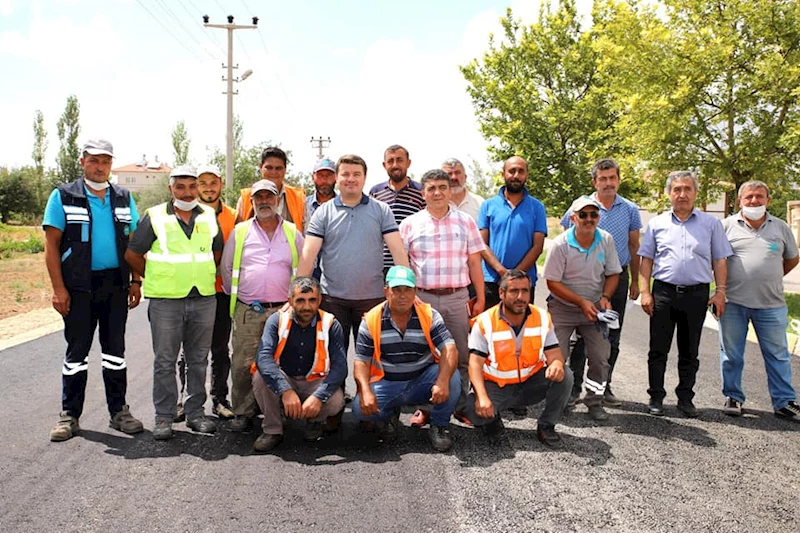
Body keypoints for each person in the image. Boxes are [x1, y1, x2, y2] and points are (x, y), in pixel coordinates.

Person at [43, 138, 143, 441]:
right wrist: (59, 290)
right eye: (94, 160)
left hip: (114, 284)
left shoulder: (124, 197)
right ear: (82, 161)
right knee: (77, 353)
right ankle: (69, 415)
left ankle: (119, 413)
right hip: (77, 287)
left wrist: (136, 281)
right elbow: (51, 247)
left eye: (106, 161)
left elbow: (135, 244)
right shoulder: (63, 196)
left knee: (115, 352)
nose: (100, 167)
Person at [125, 166, 224, 440]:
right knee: (165, 361)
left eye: (192, 187)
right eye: (181, 187)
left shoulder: (208, 216)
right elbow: (133, 254)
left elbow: (216, 253)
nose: (187, 192)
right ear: (171, 189)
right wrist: (156, 276)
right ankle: (164, 417)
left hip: (203, 297)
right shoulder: (154, 217)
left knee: (198, 360)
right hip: (166, 301)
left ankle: (195, 414)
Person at [638, 171, 732, 417]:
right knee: (658, 349)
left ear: (695, 193)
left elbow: (720, 260)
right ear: (669, 193)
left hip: (696, 295)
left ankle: (685, 398)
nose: (682, 194)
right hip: (664, 293)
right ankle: (656, 397)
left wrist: (720, 292)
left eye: (687, 189)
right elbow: (646, 260)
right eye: (677, 189)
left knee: (690, 351)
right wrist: (645, 292)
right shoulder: (657, 224)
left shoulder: (711, 224)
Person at [399, 168, 485, 427]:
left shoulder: (466, 222)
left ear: (450, 190)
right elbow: (404, 267)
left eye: (442, 187)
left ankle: (458, 407)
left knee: (459, 355)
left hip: (457, 298)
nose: (437, 193)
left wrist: (480, 297)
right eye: (431, 188)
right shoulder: (409, 224)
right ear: (423, 192)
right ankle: (426, 409)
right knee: (425, 356)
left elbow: (474, 262)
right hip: (421, 300)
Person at [297, 154, 408, 353]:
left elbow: (397, 251)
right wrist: (297, 291)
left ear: (365, 178)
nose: (351, 179)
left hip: (372, 299)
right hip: (332, 299)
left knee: (372, 359)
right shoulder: (323, 212)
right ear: (337, 179)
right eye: (345, 174)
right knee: (332, 360)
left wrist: (407, 288)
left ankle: (364, 387)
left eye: (356, 174)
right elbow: (308, 253)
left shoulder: (381, 210)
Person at [221, 179, 304, 432]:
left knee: (284, 362)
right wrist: (240, 297)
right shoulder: (240, 232)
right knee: (243, 363)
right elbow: (226, 269)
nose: (264, 201)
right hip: (249, 309)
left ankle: (282, 409)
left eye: (269, 197)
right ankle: (243, 412)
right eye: (259, 198)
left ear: (278, 200)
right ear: (252, 202)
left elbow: (302, 270)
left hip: (283, 311)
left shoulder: (293, 232)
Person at [559, 159, 642, 407]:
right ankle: (572, 389)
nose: (608, 183)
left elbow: (634, 246)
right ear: (595, 181)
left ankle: (602, 387)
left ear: (618, 179)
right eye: (603, 179)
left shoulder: (630, 210)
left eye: (612, 178)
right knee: (580, 336)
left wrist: (635, 282)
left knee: (610, 336)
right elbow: (565, 239)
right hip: (582, 279)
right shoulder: (582, 207)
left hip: (616, 279)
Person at [352, 266, 460, 452]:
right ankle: (388, 417)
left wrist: (441, 381)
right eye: (397, 290)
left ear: (415, 291)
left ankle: (440, 425)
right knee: (359, 409)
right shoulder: (371, 319)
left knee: (453, 378)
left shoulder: (429, 315)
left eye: (408, 289)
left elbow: (450, 348)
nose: (403, 295)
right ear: (386, 291)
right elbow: (361, 361)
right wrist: (365, 390)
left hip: (422, 379)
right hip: (388, 381)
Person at [719, 180, 800, 420]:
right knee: (731, 354)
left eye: (759, 196)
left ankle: (784, 402)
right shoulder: (725, 227)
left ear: (768, 200)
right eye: (749, 197)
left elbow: (792, 258)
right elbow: (717, 261)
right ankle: (733, 396)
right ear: (739, 201)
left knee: (778, 355)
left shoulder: (781, 228)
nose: (754, 201)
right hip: (733, 302)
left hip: (771, 305)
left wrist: (769, 276)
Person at [465, 270, 572, 446]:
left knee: (566, 375)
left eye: (525, 291)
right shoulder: (485, 322)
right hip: (497, 387)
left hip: (530, 384)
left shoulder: (542, 318)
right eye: (514, 291)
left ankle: (547, 426)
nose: (520, 297)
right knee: (472, 410)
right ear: (501, 293)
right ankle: (493, 420)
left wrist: (557, 364)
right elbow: (475, 364)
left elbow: (554, 354)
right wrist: (482, 397)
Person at [544, 196, 621, 421]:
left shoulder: (606, 240)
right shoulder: (560, 244)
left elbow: (613, 273)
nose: (589, 219)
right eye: (583, 215)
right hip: (562, 308)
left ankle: (594, 401)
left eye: (593, 215)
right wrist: (580, 302)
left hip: (595, 309)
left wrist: (606, 297)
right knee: (557, 356)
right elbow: (552, 283)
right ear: (573, 218)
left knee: (600, 358)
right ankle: (559, 400)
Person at [251, 277, 347, 452]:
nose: (307, 306)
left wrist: (319, 397)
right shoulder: (276, 320)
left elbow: (340, 367)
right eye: (300, 301)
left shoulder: (331, 324)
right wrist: (285, 391)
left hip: (314, 381)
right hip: (286, 377)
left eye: (312, 300)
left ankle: (314, 421)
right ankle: (273, 429)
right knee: (260, 377)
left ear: (319, 300)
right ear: (290, 301)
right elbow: (263, 358)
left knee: (335, 400)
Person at [175, 164, 237, 422]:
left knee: (220, 349)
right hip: (190, 291)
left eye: (213, 182)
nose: (208, 187)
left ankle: (220, 399)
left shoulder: (234, 216)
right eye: (203, 182)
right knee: (187, 350)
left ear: (221, 184)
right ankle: (184, 400)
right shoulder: (183, 213)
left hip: (221, 291)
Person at [478, 156, 547, 309]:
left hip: (524, 282)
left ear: (527, 175)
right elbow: (481, 244)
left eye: (521, 171)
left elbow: (538, 247)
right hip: (492, 280)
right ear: (503, 174)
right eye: (512, 171)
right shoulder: (488, 205)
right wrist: (502, 272)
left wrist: (516, 275)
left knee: (522, 330)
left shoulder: (537, 207)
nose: (516, 175)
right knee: (491, 330)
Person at [369, 144, 425, 275]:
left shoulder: (421, 192)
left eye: (399, 160)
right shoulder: (375, 193)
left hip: (411, 264)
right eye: (390, 161)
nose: (395, 165)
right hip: (380, 265)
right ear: (384, 165)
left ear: (408, 163)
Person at [236, 146, 305, 228]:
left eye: (278, 168)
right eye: (269, 168)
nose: (273, 172)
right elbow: (237, 232)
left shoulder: (299, 198)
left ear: (285, 170)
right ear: (261, 167)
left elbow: (307, 235)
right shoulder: (245, 199)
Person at [303, 158, 337, 280]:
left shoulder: (345, 207)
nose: (324, 180)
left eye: (329, 175)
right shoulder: (303, 205)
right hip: (309, 271)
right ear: (313, 177)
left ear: (336, 177)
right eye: (320, 175)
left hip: (335, 272)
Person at [442, 157, 484, 223]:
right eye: (449, 174)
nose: (454, 177)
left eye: (457, 173)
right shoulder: (437, 204)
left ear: (465, 177)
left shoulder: (480, 203)